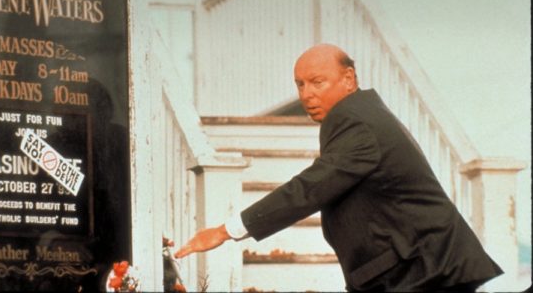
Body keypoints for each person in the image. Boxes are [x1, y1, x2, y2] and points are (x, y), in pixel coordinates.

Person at [175, 44, 503, 292]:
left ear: (348, 79)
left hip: (425, 271)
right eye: (300, 84)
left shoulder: (357, 122)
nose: (306, 94)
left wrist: (224, 231)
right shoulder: (361, 114)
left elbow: (310, 188)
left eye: (317, 82)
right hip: (414, 269)